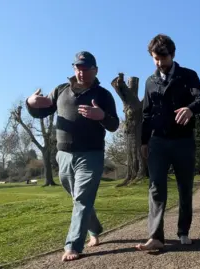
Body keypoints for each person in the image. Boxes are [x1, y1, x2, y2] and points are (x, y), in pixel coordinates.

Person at [26, 51, 119, 261]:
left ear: (95, 70)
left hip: (91, 154)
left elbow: (114, 124)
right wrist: (30, 102)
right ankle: (94, 228)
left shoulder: (103, 95)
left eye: (85, 69)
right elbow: (41, 110)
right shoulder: (61, 90)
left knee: (82, 198)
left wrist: (102, 115)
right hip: (64, 155)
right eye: (77, 68)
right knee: (78, 198)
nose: (81, 72)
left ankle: (73, 246)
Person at [136, 34, 200, 251]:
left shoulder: (188, 76)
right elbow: (147, 113)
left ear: (173, 54)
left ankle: (183, 231)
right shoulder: (150, 82)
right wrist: (143, 141)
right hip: (157, 141)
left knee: (184, 187)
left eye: (163, 57)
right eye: (155, 58)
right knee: (156, 187)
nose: (160, 62)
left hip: (183, 141)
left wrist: (190, 109)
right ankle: (155, 236)